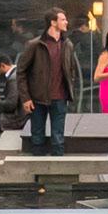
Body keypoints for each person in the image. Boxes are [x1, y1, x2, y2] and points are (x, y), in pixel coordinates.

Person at [14, 10, 80, 158]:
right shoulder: (35, 45)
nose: (66, 22)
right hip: (37, 98)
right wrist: (26, 98)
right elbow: (21, 71)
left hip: (60, 96)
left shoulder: (67, 44)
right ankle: (38, 168)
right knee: (37, 137)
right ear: (53, 22)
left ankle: (58, 167)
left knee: (58, 138)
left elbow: (71, 69)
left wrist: (69, 89)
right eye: (63, 19)